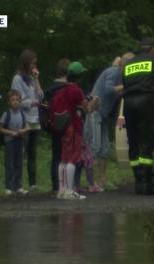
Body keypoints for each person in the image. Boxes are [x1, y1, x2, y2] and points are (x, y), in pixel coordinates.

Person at [122, 38, 154, 195]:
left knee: (134, 141)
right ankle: (147, 183)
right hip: (147, 102)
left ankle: (138, 181)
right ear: (152, 49)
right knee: (147, 141)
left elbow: (125, 83)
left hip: (129, 104)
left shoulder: (129, 64)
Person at [84, 53, 134, 189]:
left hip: (104, 114)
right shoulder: (113, 72)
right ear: (125, 65)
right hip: (95, 112)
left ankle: (102, 180)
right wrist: (125, 86)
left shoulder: (120, 75)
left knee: (105, 148)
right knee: (94, 146)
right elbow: (107, 90)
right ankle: (90, 182)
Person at [51, 61, 99, 200]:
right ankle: (69, 190)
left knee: (64, 159)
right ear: (80, 76)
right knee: (72, 159)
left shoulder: (62, 89)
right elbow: (87, 109)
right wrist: (94, 103)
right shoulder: (76, 89)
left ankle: (61, 190)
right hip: (73, 126)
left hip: (62, 126)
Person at [11, 49, 44, 191]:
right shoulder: (17, 79)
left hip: (35, 119)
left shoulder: (31, 79)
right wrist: (32, 103)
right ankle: (16, 184)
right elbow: (17, 99)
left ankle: (33, 184)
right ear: (26, 63)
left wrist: (37, 79)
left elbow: (41, 96)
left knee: (32, 153)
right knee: (20, 152)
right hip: (24, 118)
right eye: (32, 63)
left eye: (35, 64)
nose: (34, 66)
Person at [44, 58, 70, 193]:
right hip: (68, 124)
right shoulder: (69, 87)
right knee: (68, 155)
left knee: (56, 155)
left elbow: (45, 106)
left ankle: (55, 185)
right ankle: (67, 184)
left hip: (54, 124)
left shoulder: (49, 89)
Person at [0, 90, 29, 195]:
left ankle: (18, 186)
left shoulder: (22, 114)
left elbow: (27, 127)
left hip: (19, 141)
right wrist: (11, 132)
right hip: (10, 141)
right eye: (13, 100)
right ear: (9, 102)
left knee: (19, 164)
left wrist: (23, 131)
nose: (15, 102)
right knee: (10, 164)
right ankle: (9, 187)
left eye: (17, 100)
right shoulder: (6, 114)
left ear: (20, 101)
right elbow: (0, 128)